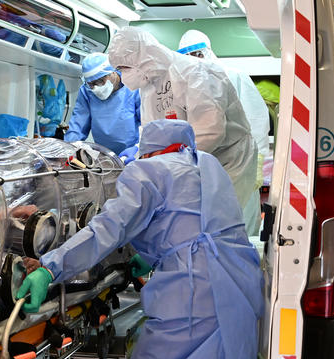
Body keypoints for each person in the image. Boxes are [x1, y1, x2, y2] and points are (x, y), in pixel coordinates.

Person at [17, 120, 263, 359]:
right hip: (240, 286)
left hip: (193, 295)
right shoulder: (209, 164)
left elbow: (106, 230)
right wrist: (151, 256)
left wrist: (50, 268)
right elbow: (194, 222)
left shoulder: (147, 172)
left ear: (146, 150)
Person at [108, 26, 259, 233]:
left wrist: (165, 158)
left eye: (124, 68)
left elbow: (210, 132)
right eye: (120, 69)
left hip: (228, 160)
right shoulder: (149, 83)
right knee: (191, 224)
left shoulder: (194, 72)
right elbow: (153, 128)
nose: (123, 75)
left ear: (143, 58)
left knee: (221, 225)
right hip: (188, 162)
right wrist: (141, 151)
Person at [178, 29, 270, 235]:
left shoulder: (234, 76)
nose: (194, 61)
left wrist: (258, 160)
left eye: (198, 54)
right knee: (211, 226)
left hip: (240, 162)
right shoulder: (182, 85)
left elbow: (257, 118)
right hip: (204, 166)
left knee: (242, 219)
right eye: (187, 56)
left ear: (209, 52)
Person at [64, 53, 141, 162]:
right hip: (103, 156)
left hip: (130, 155)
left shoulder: (133, 88)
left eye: (100, 81)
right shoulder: (87, 91)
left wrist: (138, 148)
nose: (95, 88)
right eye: (90, 84)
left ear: (113, 72)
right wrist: (68, 149)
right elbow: (78, 124)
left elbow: (148, 125)